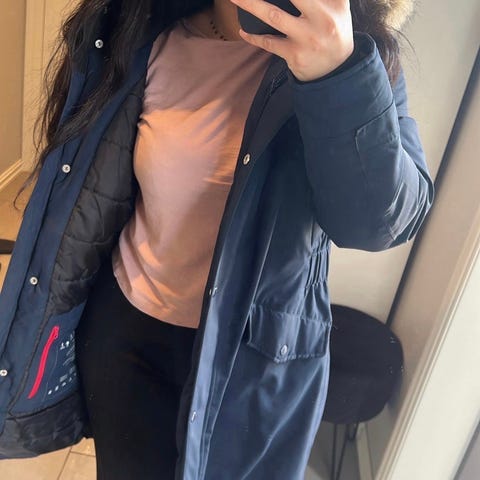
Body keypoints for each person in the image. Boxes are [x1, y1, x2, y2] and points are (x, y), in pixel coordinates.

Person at [0, 0, 434, 479]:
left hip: (251, 368)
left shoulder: (359, 58)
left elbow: (378, 224)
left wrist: (337, 75)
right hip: (126, 339)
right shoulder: (142, 33)